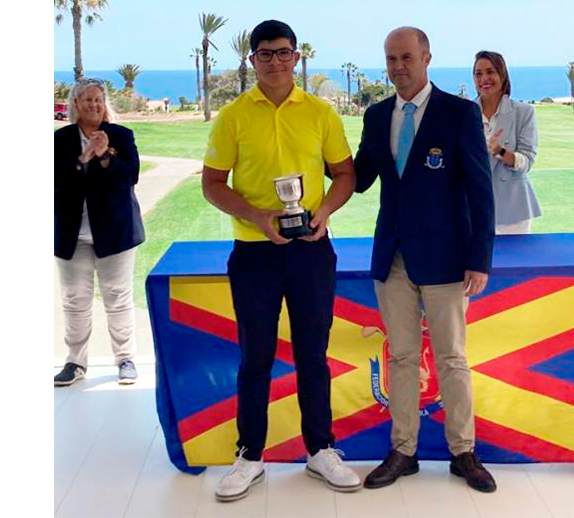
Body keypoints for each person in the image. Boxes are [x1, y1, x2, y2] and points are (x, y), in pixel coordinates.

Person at [201, 20, 361, 501]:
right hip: (254, 253)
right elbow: (212, 184)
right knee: (256, 358)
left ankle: (321, 450)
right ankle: (250, 456)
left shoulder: (320, 112)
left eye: (283, 52)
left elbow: (345, 173)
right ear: (252, 61)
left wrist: (325, 212)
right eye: (264, 54)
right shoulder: (231, 116)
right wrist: (255, 215)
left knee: (313, 354)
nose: (274, 61)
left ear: (296, 58)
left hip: (312, 248)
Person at [354, 27, 497, 493]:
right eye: (391, 58)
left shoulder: (459, 114)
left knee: (453, 357)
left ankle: (463, 452)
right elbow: (358, 178)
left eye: (407, 57)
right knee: (400, 356)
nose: (398, 66)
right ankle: (404, 451)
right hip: (392, 257)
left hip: (447, 258)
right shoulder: (376, 116)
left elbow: (481, 190)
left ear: (427, 57)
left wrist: (479, 257)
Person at [54, 78, 145, 386]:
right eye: (87, 99)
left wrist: (105, 155)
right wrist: (83, 159)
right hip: (71, 234)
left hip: (116, 233)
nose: (94, 104)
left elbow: (130, 177)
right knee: (74, 300)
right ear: (75, 105)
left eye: (98, 100)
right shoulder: (61, 139)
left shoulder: (121, 135)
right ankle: (75, 363)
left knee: (118, 297)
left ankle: (125, 359)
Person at [473, 51, 540, 234]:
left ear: (502, 75)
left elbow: (527, 162)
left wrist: (500, 151)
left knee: (514, 262)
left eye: (490, 72)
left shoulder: (524, 112)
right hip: (473, 207)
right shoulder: (465, 114)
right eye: (478, 73)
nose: (484, 78)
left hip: (513, 210)